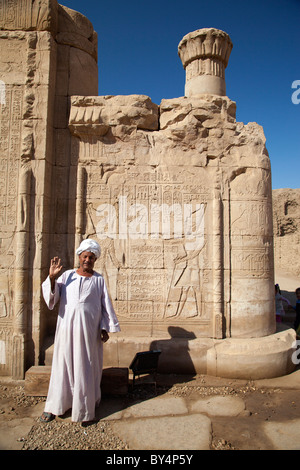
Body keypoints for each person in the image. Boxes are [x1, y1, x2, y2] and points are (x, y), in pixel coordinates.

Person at [40, 239, 120, 423]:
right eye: (85, 256)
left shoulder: (99, 279)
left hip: (88, 334)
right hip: (66, 332)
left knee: (86, 367)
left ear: (95, 259)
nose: (87, 260)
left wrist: (105, 327)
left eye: (91, 257)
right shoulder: (67, 276)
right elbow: (52, 298)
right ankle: (55, 406)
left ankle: (84, 411)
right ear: (79, 257)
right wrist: (51, 278)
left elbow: (105, 305)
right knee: (62, 366)